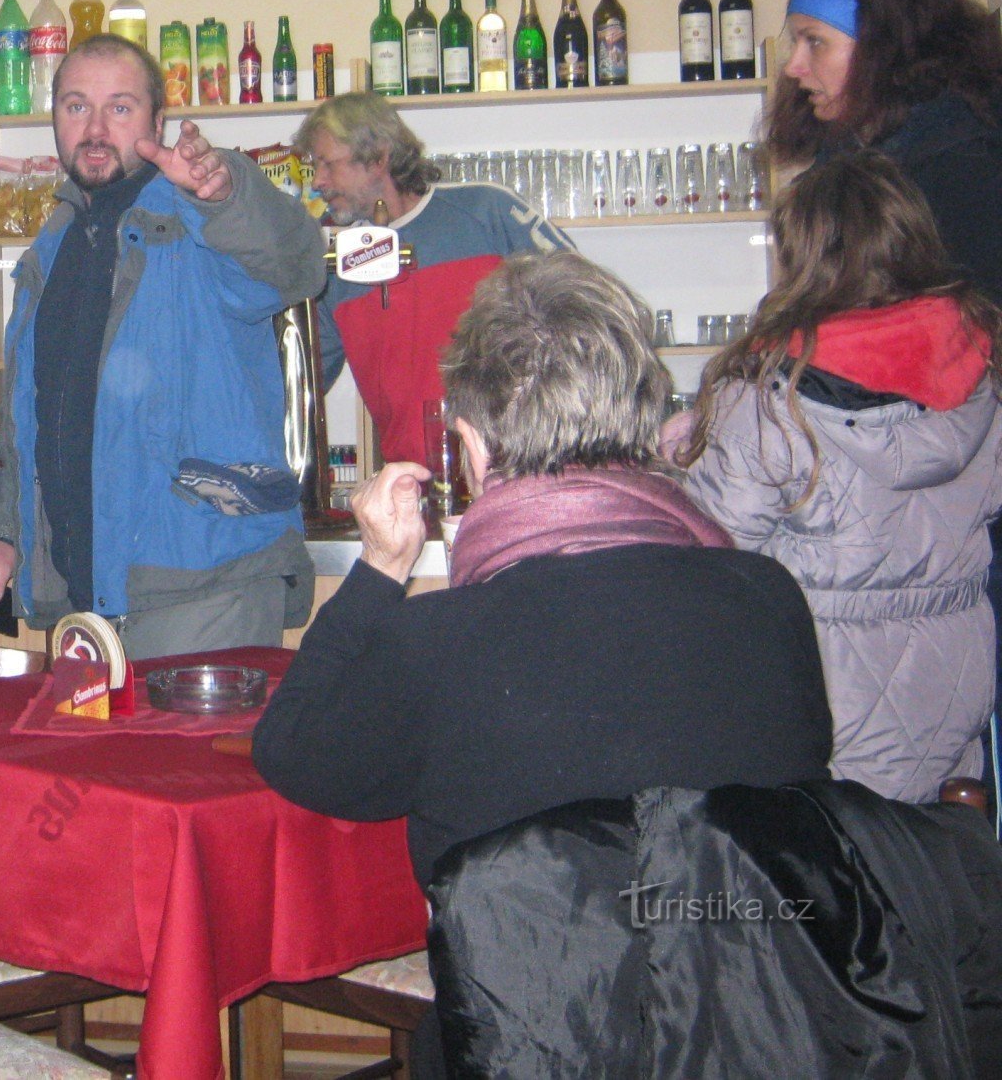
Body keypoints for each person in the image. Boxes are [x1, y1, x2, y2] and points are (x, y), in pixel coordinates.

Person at [253, 251, 833, 891]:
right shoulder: (767, 598)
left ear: (473, 445)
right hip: (746, 947)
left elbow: (294, 754)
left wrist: (380, 568)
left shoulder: (442, 642)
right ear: (646, 418)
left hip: (534, 960)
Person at [0, 33, 326, 658]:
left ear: (157, 122)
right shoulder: (50, 249)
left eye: (120, 107)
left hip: (206, 589)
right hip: (85, 600)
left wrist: (226, 192)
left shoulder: (201, 220)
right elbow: (27, 421)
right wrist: (3, 531)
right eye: (77, 106)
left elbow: (297, 264)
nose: (95, 128)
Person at [675, 154, 1002, 802]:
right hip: (955, 685)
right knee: (933, 852)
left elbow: (710, 553)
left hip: (822, 694)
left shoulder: (771, 394)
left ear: (802, 257)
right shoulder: (980, 368)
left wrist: (681, 457)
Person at [298, 92, 571, 465]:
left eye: (328, 164)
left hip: (520, 469)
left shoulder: (486, 211)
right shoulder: (333, 260)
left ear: (378, 157)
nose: (317, 181)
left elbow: (588, 316)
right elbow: (302, 381)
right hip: (412, 480)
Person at [767, 0, 1002, 305]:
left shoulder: (964, 164)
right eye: (795, 42)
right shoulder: (847, 158)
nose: (793, 66)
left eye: (815, 41)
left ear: (879, 44)